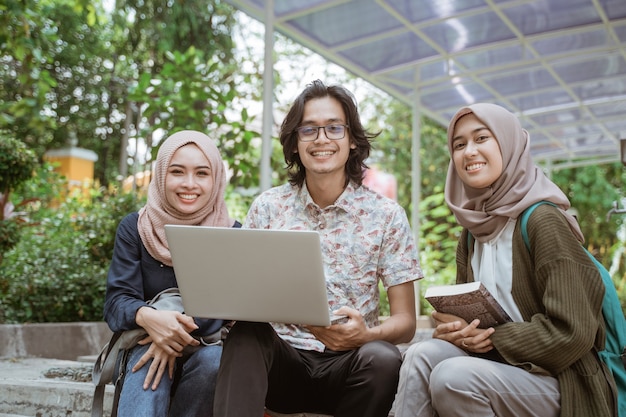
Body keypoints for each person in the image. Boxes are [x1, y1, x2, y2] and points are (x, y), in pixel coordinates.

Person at [213, 79, 423, 417]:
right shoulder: (268, 207)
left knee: (383, 357)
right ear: (295, 143)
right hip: (283, 364)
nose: (321, 139)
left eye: (334, 128)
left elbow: (406, 322)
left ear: (352, 140)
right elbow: (242, 299)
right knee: (246, 334)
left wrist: (366, 335)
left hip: (350, 366)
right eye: (308, 129)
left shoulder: (387, 216)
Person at [392, 103, 618, 417]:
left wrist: (492, 338)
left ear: (509, 143)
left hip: (564, 381)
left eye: (481, 138)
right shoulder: (472, 233)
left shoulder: (543, 221)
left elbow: (573, 333)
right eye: (459, 144)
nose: (469, 151)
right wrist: (456, 331)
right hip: (501, 368)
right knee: (420, 354)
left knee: (453, 378)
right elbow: (472, 318)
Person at [103, 130, 241, 417]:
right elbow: (116, 303)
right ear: (161, 174)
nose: (189, 184)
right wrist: (152, 319)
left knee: (214, 362)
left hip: (206, 349)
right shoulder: (136, 228)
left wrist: (172, 335)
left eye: (202, 173)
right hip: (145, 342)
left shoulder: (231, 234)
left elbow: (228, 306)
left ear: (215, 179)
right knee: (146, 357)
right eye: (177, 172)